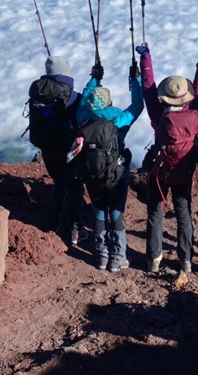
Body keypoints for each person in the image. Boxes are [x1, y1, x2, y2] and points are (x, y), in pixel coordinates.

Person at [138, 42, 198, 274]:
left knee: (155, 214)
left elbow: (148, 90)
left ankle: (153, 260)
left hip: (160, 173)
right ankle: (185, 259)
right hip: (184, 172)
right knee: (184, 215)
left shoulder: (159, 116)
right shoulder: (196, 113)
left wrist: (146, 60)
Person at [75, 62, 144, 272]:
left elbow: (86, 97)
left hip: (91, 175)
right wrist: (135, 80)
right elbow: (138, 105)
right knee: (115, 213)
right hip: (115, 175)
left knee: (97, 212)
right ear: (108, 102)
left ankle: (102, 256)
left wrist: (94, 78)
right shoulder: (118, 121)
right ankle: (118, 257)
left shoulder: (82, 117)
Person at [27, 55, 85, 243]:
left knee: (59, 183)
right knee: (75, 186)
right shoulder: (72, 96)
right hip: (68, 149)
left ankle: (53, 222)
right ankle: (75, 229)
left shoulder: (38, 92)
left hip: (47, 148)